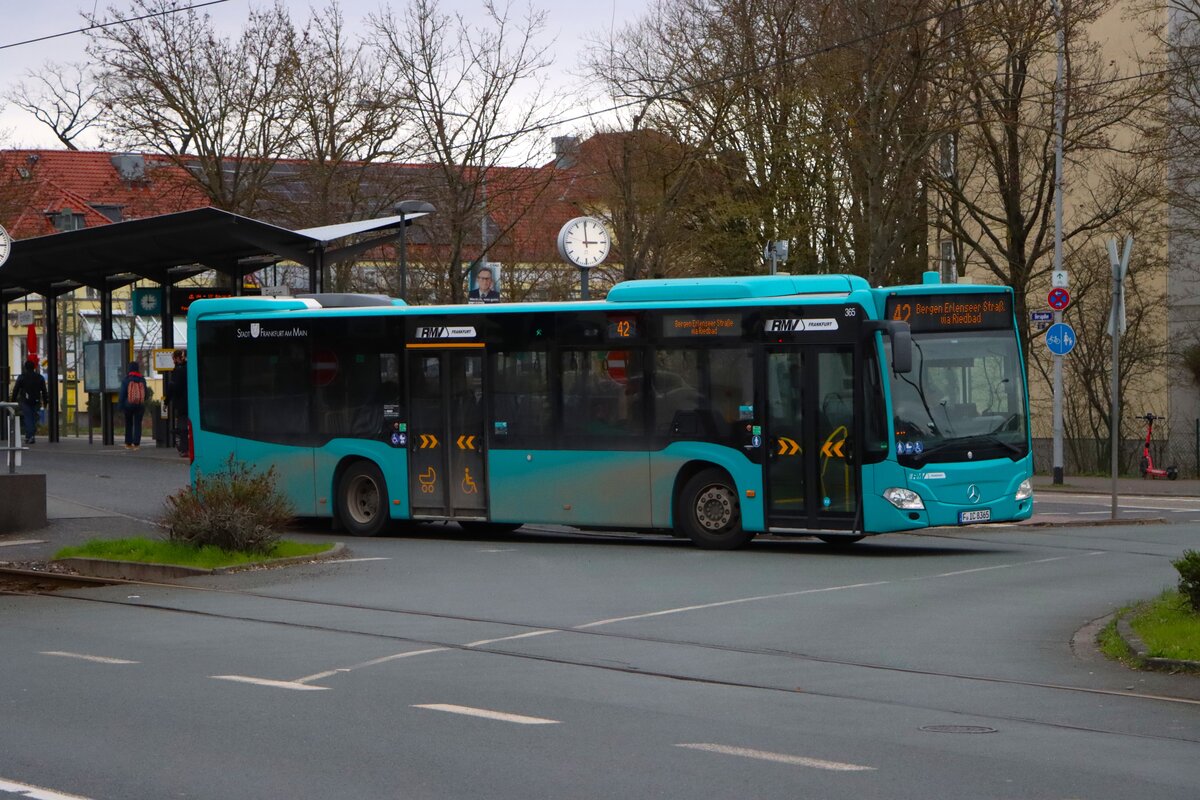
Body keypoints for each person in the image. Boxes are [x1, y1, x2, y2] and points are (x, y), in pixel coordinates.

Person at [10, 360, 48, 445]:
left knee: (28, 418)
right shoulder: (40, 377)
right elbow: (44, 391)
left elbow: (16, 389)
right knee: (33, 418)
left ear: (25, 367)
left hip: (25, 401)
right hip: (36, 400)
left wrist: (13, 400)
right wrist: (45, 401)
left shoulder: (22, 377)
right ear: (34, 367)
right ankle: (31, 436)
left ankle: (29, 436)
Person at [118, 361, 148, 450]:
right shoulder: (142, 379)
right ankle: (137, 444)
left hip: (128, 404)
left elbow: (122, 394)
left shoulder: (126, 379)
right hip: (140, 404)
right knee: (138, 424)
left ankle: (128, 443)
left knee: (129, 423)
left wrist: (121, 405)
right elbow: (146, 393)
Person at [166, 349, 189, 456]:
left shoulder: (178, 371)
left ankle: (185, 449)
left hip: (181, 403)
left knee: (182, 427)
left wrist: (166, 401)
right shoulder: (189, 368)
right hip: (191, 402)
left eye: (174, 359)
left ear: (176, 358)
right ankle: (188, 448)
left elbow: (173, 388)